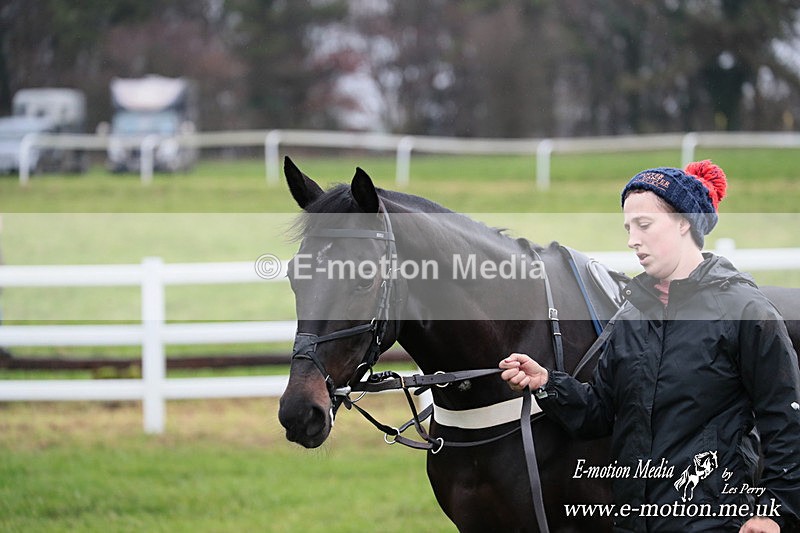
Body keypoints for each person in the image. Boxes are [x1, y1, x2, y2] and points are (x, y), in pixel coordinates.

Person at [500, 161, 800, 532]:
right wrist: (547, 383)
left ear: (683, 223)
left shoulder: (746, 311)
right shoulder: (630, 316)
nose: (632, 240)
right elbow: (600, 411)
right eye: (628, 228)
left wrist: (773, 512)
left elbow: (786, 421)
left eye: (644, 225)